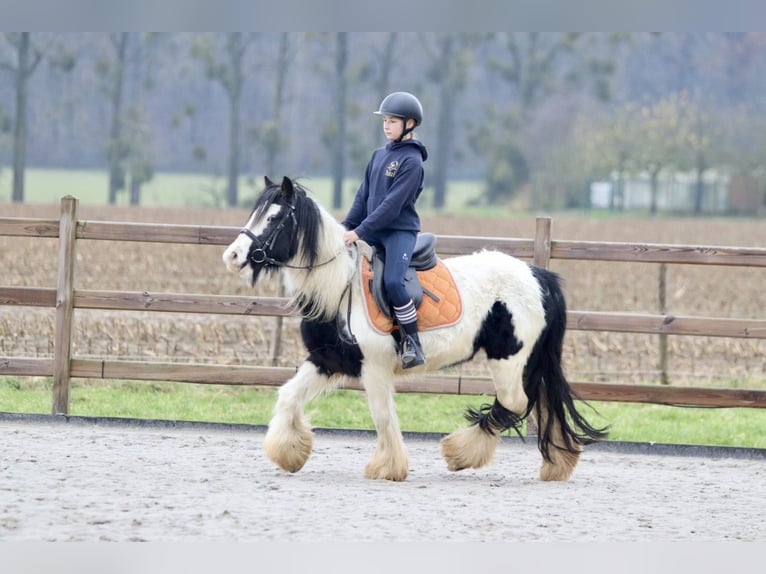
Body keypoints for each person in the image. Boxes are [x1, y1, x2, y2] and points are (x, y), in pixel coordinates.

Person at [342, 91, 429, 369]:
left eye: (393, 121)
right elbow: (362, 197)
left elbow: (392, 206)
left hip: (398, 232)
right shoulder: (379, 155)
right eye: (385, 121)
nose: (386, 125)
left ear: (410, 124)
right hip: (373, 229)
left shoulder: (412, 162)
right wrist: (345, 227)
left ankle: (412, 342)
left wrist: (360, 232)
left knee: (393, 282)